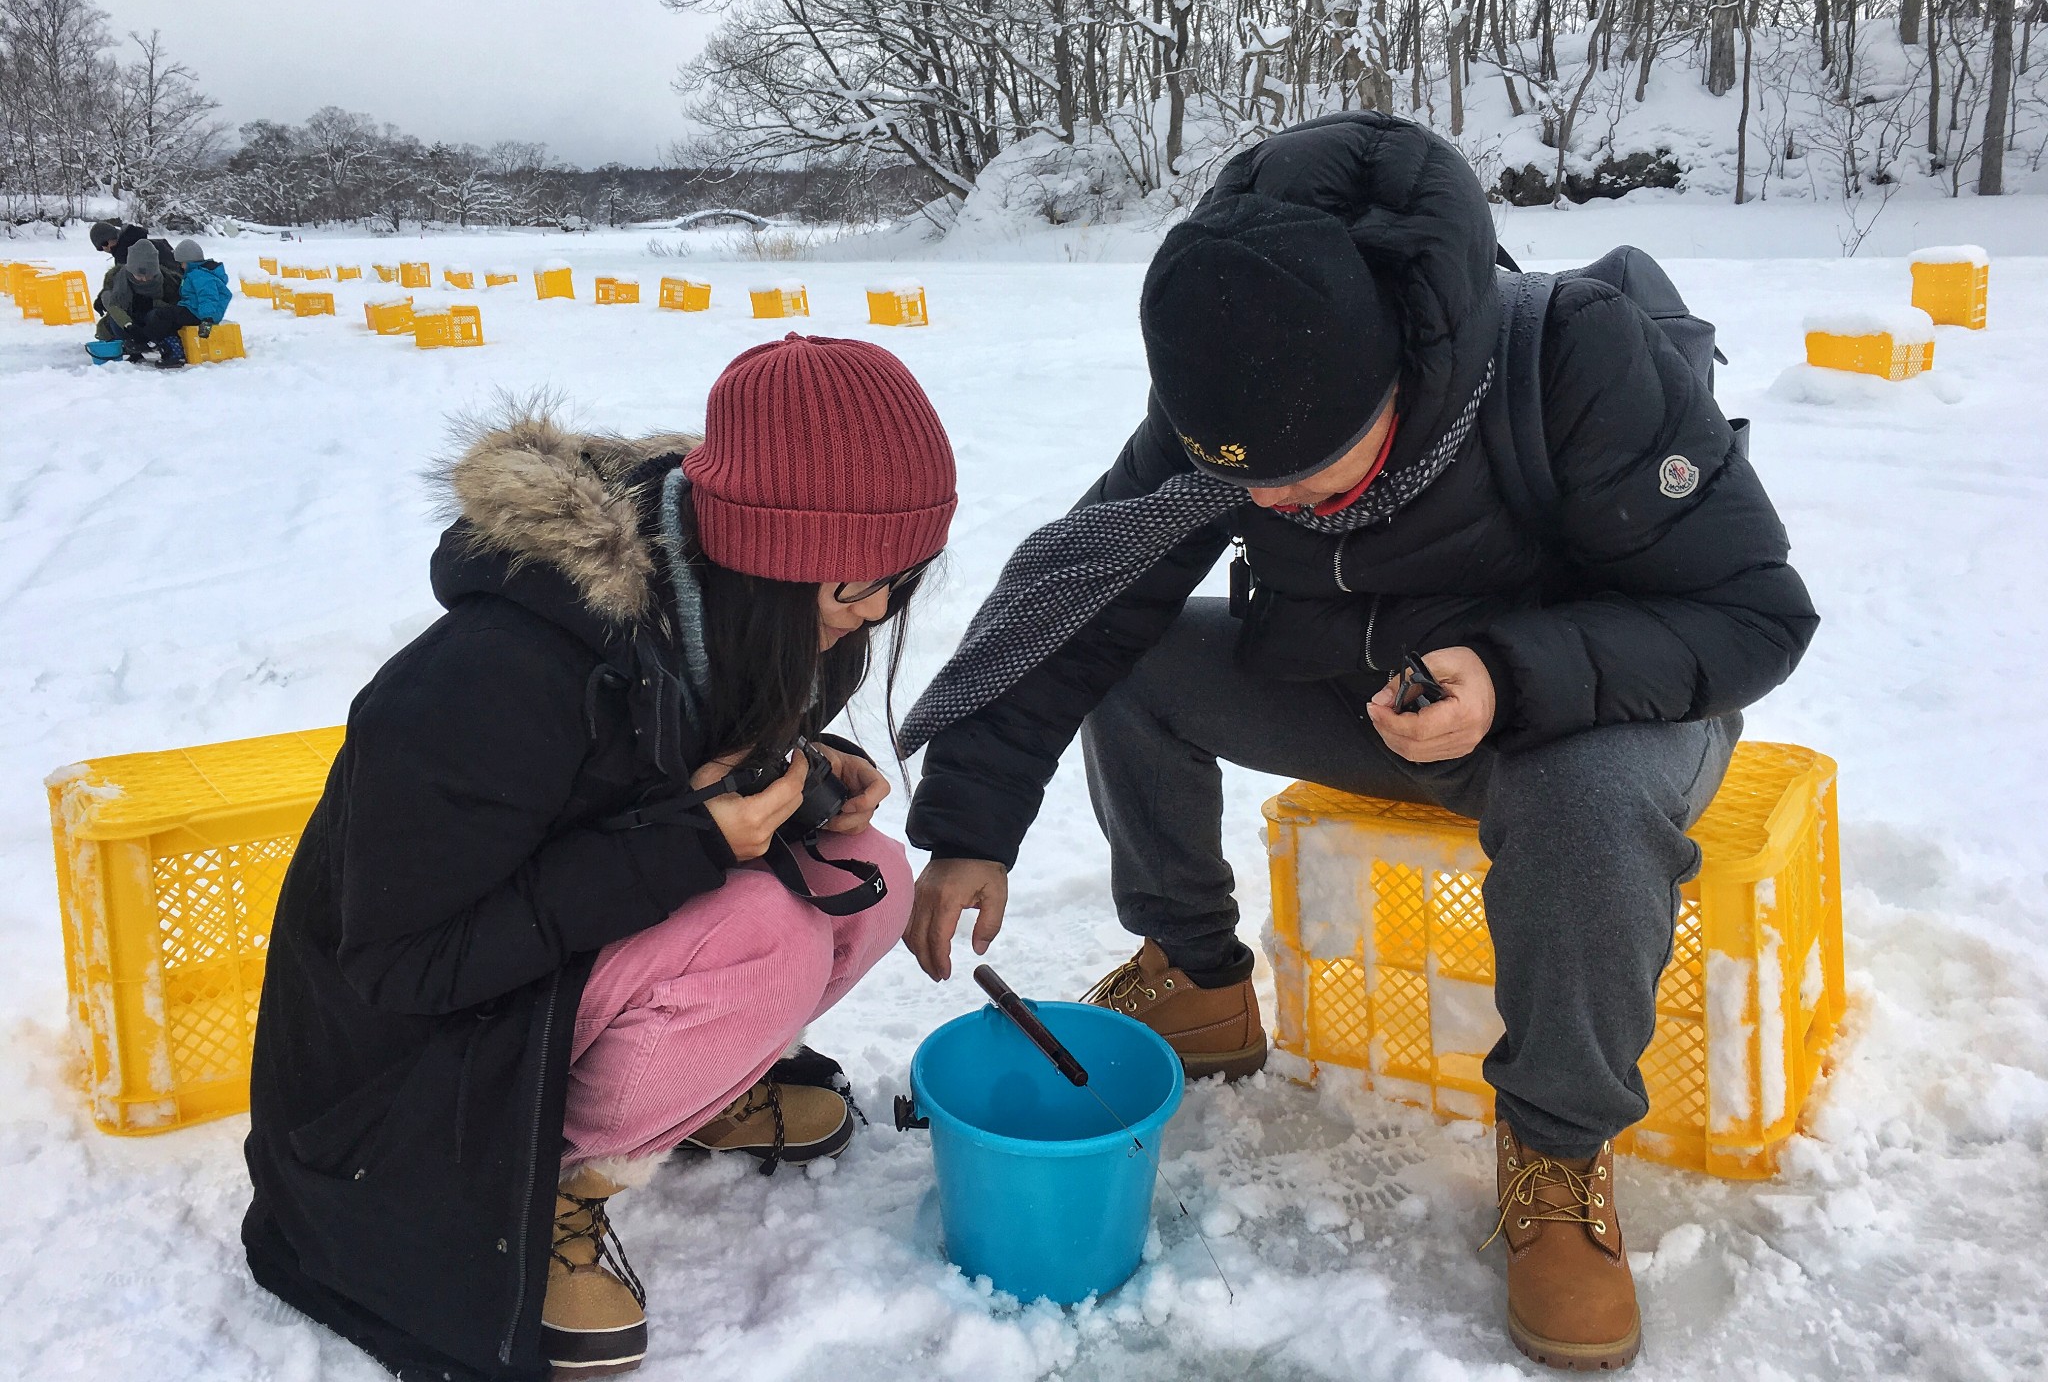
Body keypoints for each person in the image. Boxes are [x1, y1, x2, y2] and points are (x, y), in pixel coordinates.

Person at [896, 113, 1817, 1371]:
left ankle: (1552, 1150)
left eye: (1314, 477)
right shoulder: (1237, 383)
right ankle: (1202, 979)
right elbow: (1084, 591)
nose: (1277, 507)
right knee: (1140, 650)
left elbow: (1752, 614)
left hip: (1603, 711)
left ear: (1396, 368)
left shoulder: (1573, 360)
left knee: (1581, 801)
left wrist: (1510, 676)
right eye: (1252, 488)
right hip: (1376, 694)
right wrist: (967, 826)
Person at [243, 334, 957, 1381]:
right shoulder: (492, 675)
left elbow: (657, 775)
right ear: (758, 555)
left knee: (869, 879)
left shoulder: (750, 612)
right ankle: (548, 1190)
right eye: (852, 588)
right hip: (395, 1091)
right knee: (764, 939)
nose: (877, 614)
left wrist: (803, 773)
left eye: (901, 581)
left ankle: (688, 1092)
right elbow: (402, 968)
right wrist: (693, 840)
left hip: (550, 971)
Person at [93, 239, 194, 365]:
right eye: (139, 276)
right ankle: (132, 348)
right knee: (115, 321)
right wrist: (129, 326)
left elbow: (178, 307)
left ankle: (164, 347)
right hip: (129, 322)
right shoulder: (119, 278)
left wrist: (153, 304)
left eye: (149, 275)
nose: (144, 279)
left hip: (154, 324)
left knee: (158, 316)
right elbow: (114, 305)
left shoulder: (169, 281)